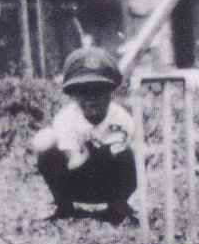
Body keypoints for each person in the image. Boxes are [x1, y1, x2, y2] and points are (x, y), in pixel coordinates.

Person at [33, 46, 138, 223]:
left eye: (99, 90)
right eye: (83, 91)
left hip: (110, 184)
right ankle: (64, 206)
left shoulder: (122, 118)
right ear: (73, 94)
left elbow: (129, 166)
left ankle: (118, 207)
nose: (91, 97)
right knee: (45, 143)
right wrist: (92, 151)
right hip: (78, 183)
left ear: (110, 92)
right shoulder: (66, 118)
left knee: (129, 152)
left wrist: (109, 151)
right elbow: (73, 162)